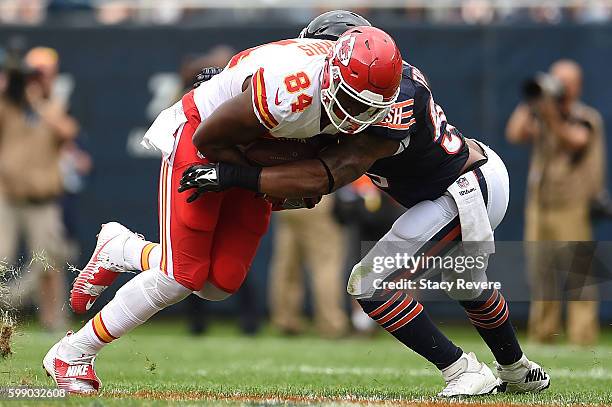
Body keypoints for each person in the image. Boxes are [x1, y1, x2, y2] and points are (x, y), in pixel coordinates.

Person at [180, 10, 551, 396]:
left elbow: (331, 170)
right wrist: (232, 89)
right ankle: (518, 370)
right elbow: (298, 121)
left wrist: (238, 177)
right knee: (466, 285)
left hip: (467, 187)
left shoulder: (390, 96)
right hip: (451, 188)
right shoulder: (357, 81)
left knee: (373, 284)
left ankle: (461, 370)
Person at [44, 27, 403, 394]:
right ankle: (73, 352)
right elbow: (209, 137)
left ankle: (124, 249)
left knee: (219, 284)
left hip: (250, 155)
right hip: (203, 140)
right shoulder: (290, 91)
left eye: (369, 106)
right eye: (352, 99)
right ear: (332, 68)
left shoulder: (378, 83)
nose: (358, 114)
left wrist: (264, 176)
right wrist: (243, 176)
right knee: (181, 276)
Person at [506, 59, 605, 345]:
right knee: (541, 275)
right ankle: (543, 335)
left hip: (572, 207)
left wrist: (550, 115)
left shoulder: (585, 117)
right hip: (540, 206)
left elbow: (575, 140)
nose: (559, 85)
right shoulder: (541, 115)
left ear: (577, 86)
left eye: (564, 81)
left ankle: (583, 338)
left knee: (580, 276)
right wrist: (532, 100)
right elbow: (514, 133)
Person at [0, 46, 78, 331]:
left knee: (48, 262)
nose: (36, 80)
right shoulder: (8, 105)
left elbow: (68, 131)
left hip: (43, 199)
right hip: (7, 195)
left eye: (41, 75)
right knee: (1, 258)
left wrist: (37, 104)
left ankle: (53, 320)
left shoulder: (55, 105)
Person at [269, 194, 348, 338]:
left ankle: (286, 320)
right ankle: (331, 324)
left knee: (287, 266)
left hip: (284, 201)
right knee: (326, 265)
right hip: (315, 198)